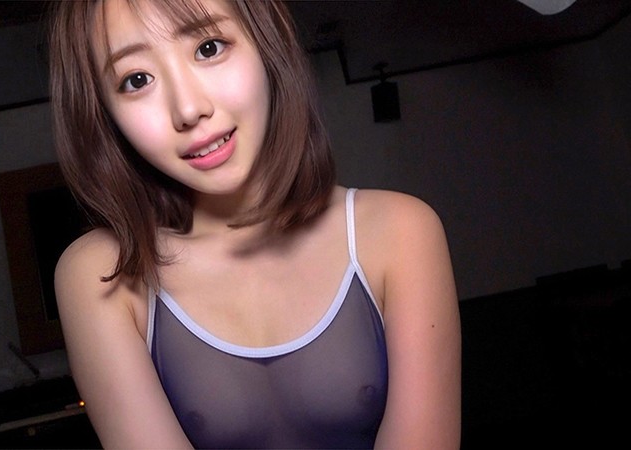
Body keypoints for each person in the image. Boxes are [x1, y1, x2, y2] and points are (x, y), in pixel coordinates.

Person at [48, 0, 461, 448]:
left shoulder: (399, 232)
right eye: (137, 80)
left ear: (267, 40)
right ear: (104, 114)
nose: (188, 108)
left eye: (208, 48)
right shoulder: (101, 275)